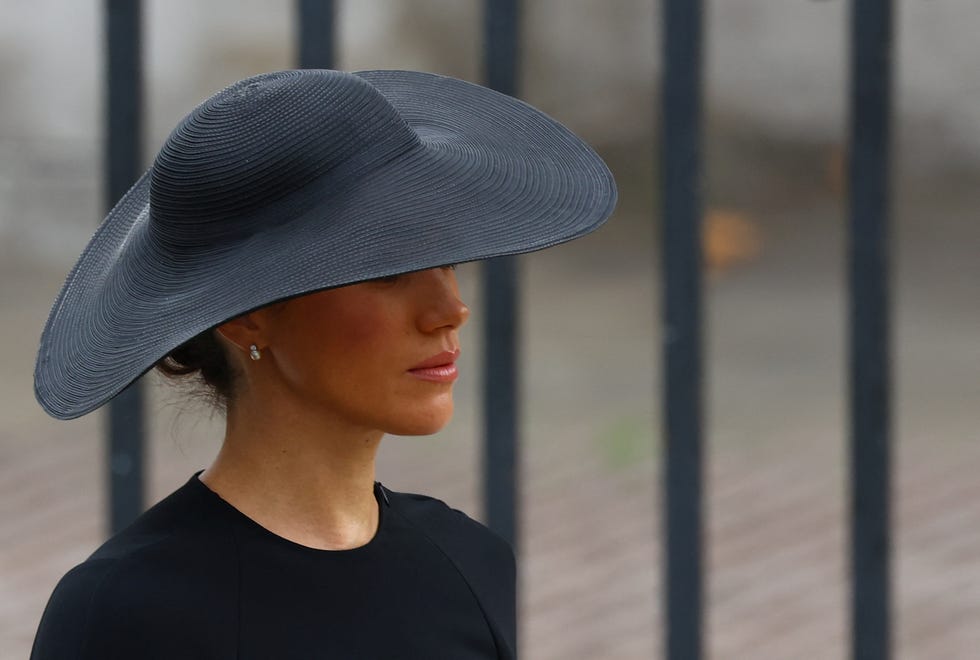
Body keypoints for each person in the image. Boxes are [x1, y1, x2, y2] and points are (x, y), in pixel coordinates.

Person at [31, 68, 616, 659]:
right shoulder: (125, 614)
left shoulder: (468, 562)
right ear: (246, 317)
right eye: (390, 270)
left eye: (447, 260)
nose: (451, 310)